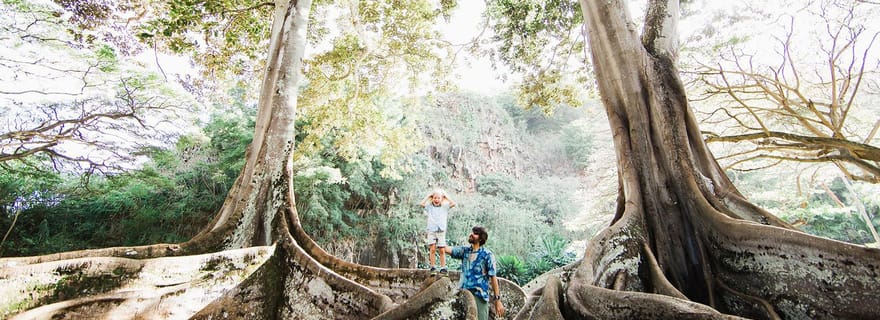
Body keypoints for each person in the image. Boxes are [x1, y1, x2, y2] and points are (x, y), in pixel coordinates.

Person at [442, 226, 505, 320]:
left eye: (475, 233)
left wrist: (497, 300)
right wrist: (437, 239)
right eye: (472, 232)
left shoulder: (487, 255)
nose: (471, 234)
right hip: (463, 295)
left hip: (479, 296)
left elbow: (493, 277)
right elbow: (446, 250)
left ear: (480, 238)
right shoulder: (465, 251)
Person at [419, 188, 456, 273]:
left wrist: (445, 195)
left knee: (442, 249)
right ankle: (432, 266)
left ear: (441, 199)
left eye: (438, 198)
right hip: (432, 230)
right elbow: (421, 203)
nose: (436, 200)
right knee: (432, 249)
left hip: (441, 230)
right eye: (435, 198)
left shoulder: (444, 207)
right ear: (433, 198)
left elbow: (453, 203)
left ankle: (443, 267)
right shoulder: (429, 207)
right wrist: (429, 195)